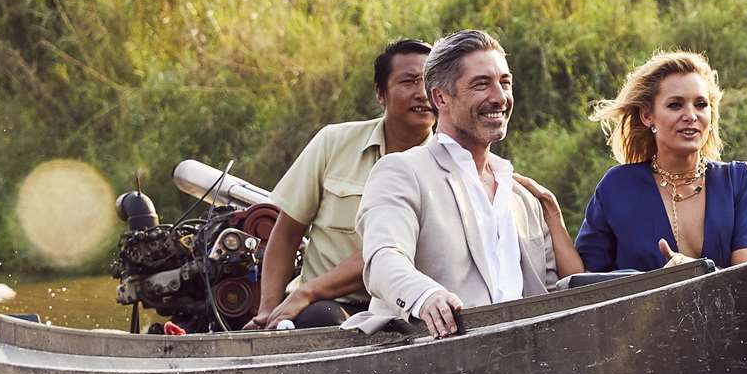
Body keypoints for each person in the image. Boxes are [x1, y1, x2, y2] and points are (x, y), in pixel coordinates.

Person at [359, 28, 585, 337]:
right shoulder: (402, 171)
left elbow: (552, 293)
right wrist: (426, 297)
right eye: (481, 84)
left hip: (522, 358)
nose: (499, 97)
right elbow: (383, 260)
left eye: (505, 82)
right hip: (432, 357)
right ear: (440, 97)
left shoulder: (523, 197)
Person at [250, 38, 431, 329]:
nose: (422, 93)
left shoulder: (446, 166)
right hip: (325, 306)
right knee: (322, 320)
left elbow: (381, 254)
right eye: (408, 82)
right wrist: (269, 311)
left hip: (404, 306)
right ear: (381, 94)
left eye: (429, 82)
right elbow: (286, 233)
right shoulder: (333, 142)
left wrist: (307, 291)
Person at [576, 50, 747, 273]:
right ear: (647, 116)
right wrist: (554, 216)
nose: (691, 115)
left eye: (701, 104)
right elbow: (582, 279)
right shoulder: (618, 187)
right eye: (675, 105)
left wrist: (697, 270)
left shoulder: (740, 181)